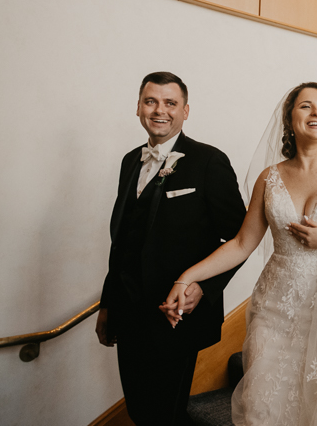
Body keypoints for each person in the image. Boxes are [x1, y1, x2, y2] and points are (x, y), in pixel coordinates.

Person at [161, 82, 317, 425]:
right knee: (265, 403)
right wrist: (188, 276)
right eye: (306, 106)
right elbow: (242, 243)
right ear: (289, 119)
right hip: (275, 306)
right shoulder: (269, 178)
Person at [96, 72, 246, 425]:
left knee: (165, 412)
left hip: (176, 312)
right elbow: (121, 242)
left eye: (170, 103)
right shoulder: (130, 160)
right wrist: (107, 305)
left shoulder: (209, 161)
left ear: (185, 110)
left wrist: (203, 288)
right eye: (151, 101)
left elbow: (239, 238)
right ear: (138, 108)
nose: (159, 110)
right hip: (128, 311)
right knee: (137, 407)